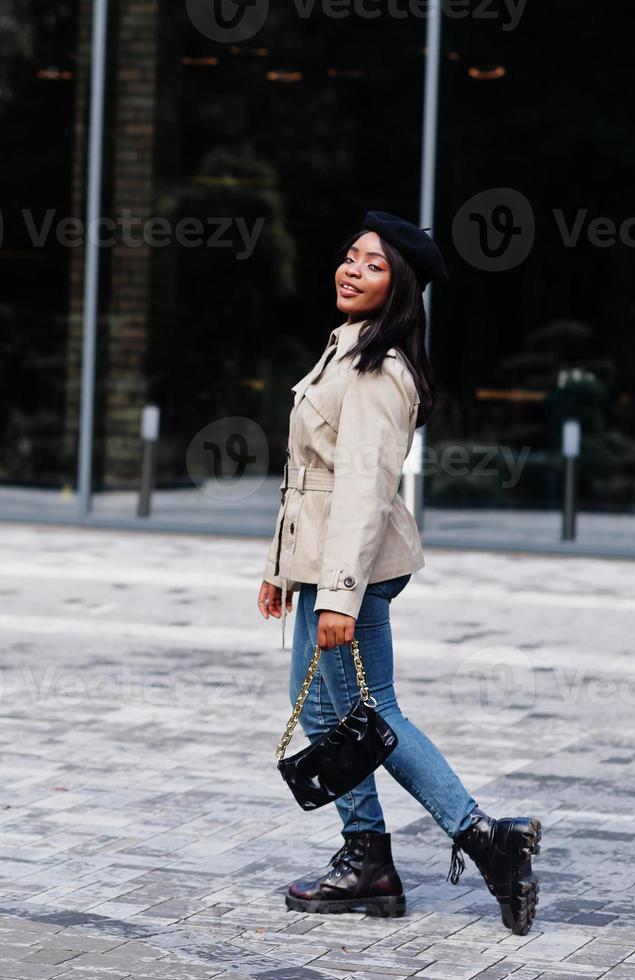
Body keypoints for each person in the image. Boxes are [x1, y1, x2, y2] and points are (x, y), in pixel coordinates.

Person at [256, 212, 542, 936]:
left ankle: (485, 841)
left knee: (370, 712)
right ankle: (368, 860)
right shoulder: (345, 349)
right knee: (326, 712)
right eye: (348, 256)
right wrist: (281, 570)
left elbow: (361, 491)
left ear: (400, 287)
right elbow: (307, 479)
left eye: (371, 265)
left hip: (352, 572)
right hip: (324, 567)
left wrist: (337, 595)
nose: (350, 269)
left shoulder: (378, 371)